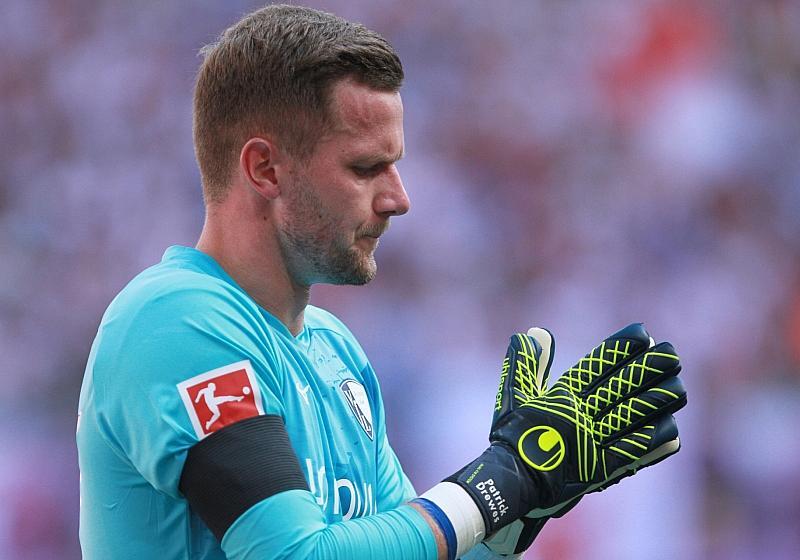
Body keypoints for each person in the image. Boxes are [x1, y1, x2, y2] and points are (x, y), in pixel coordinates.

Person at [77, 5, 686, 559]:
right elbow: (292, 556)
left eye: (395, 165)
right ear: (265, 169)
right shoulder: (175, 319)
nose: (399, 198)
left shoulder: (334, 350)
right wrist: (500, 482)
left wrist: (516, 512)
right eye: (366, 167)